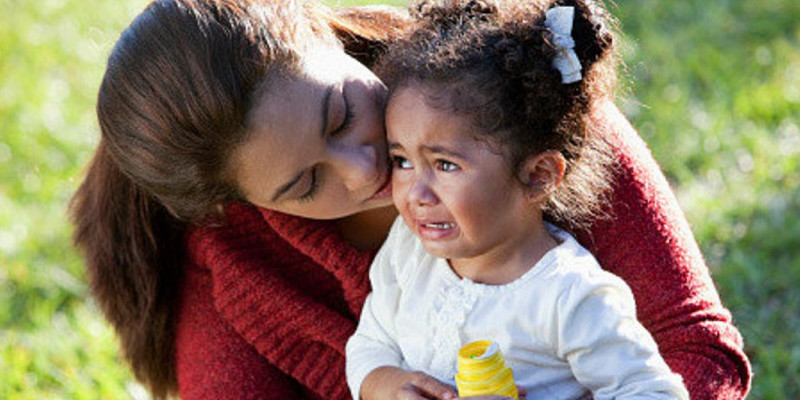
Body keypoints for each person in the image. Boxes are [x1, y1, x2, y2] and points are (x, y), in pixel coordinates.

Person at [69, 0, 751, 399]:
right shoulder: (233, 261)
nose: (365, 168)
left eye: (340, 115)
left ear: (321, 31)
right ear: (242, 204)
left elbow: (696, 347)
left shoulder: (519, 102)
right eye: (305, 184)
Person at [346, 1, 689, 399]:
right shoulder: (409, 252)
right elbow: (370, 343)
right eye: (402, 160)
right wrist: (382, 384)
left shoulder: (569, 297)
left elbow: (654, 392)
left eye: (445, 165)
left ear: (538, 176)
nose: (415, 194)